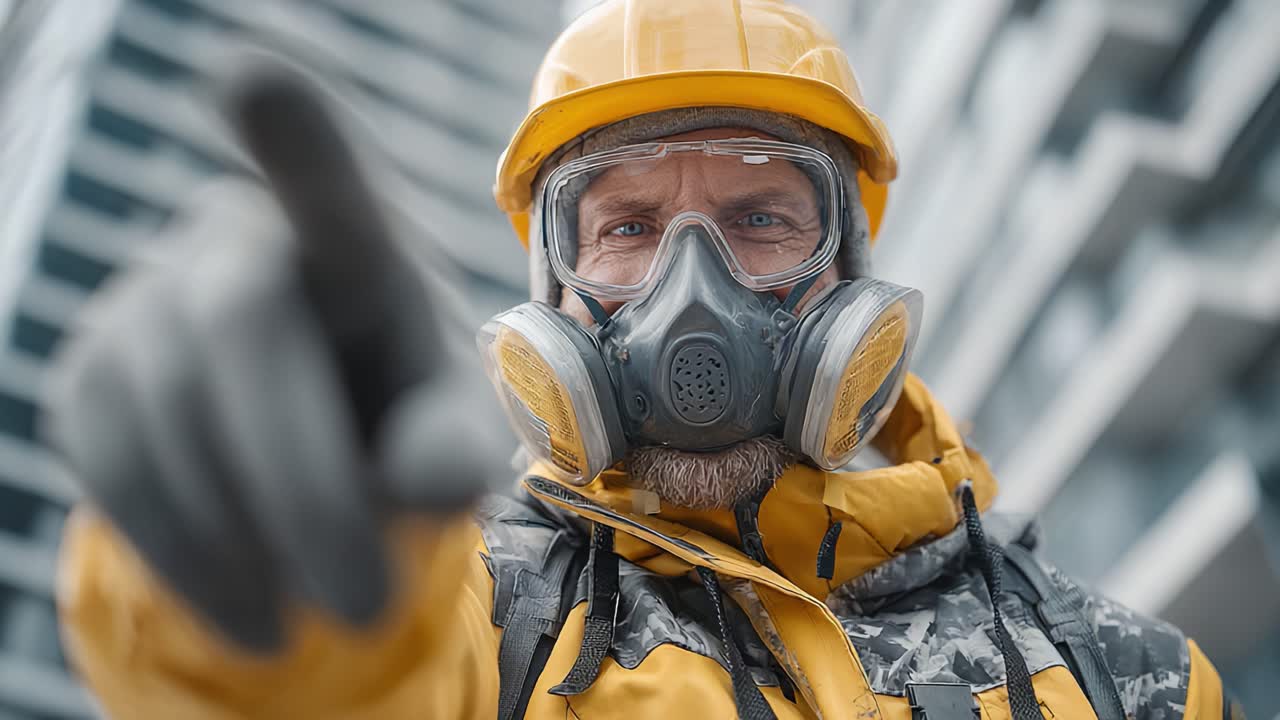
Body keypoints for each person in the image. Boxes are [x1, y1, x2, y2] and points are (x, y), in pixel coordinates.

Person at [46, 1, 1241, 718]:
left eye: (761, 219)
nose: (692, 296)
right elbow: (331, 689)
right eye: (623, 229)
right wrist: (260, 570)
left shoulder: (1129, 679)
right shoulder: (480, 629)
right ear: (551, 295)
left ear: (852, 265)